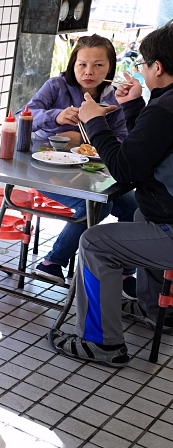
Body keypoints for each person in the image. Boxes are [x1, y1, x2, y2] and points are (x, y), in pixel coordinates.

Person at [49, 22, 173, 367]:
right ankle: (155, 308)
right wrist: (134, 107)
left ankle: (102, 343)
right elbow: (147, 150)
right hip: (163, 213)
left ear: (157, 68)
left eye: (144, 64)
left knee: (94, 242)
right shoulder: (164, 105)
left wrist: (93, 122)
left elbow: (124, 168)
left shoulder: (165, 110)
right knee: (139, 213)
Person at [27, 35, 139, 294]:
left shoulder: (115, 99)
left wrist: (83, 137)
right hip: (47, 166)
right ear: (72, 64)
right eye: (82, 64)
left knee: (134, 206)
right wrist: (57, 115)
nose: (89, 71)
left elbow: (122, 139)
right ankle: (52, 261)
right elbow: (26, 115)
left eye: (98, 65)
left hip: (92, 171)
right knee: (96, 206)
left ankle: (124, 272)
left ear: (110, 67)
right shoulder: (56, 86)